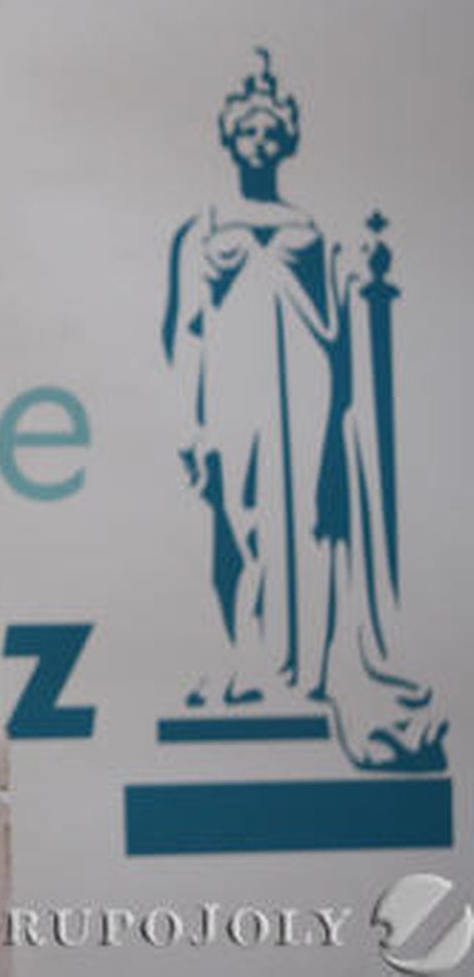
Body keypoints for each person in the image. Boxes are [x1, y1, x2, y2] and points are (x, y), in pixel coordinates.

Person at [162, 50, 443, 770]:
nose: (259, 139)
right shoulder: (203, 224)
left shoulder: (306, 225)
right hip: (230, 388)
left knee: (304, 529)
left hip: (304, 388)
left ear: (284, 139)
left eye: (269, 129)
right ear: (231, 138)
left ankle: (297, 669)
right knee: (234, 519)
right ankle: (241, 657)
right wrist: (190, 419)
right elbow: (184, 327)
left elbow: (334, 324)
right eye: (248, 129)